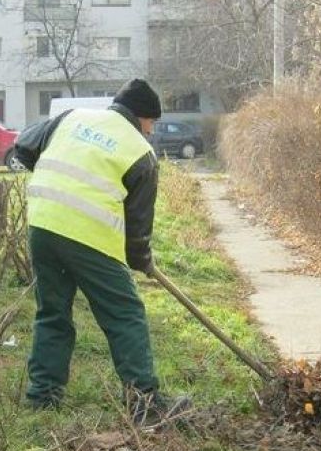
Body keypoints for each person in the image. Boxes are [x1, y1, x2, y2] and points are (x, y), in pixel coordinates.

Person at [14, 78, 193, 424]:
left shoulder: (72, 117)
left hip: (43, 225)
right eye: (152, 124)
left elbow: (23, 147)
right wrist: (142, 261)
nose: (152, 132)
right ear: (142, 117)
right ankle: (144, 401)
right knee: (124, 313)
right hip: (87, 236)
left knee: (52, 313)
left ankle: (42, 396)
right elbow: (138, 229)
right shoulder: (141, 153)